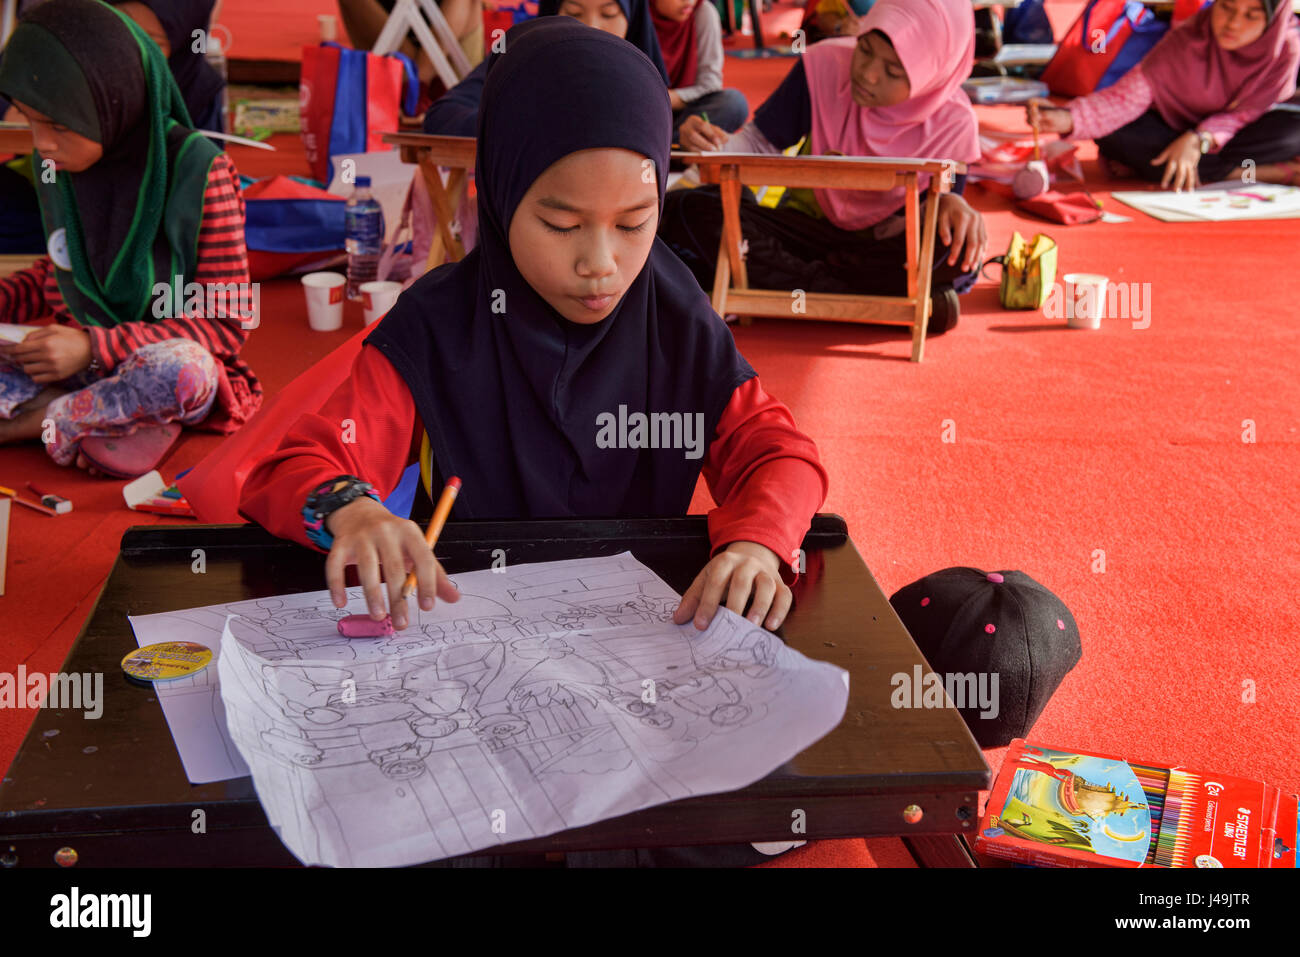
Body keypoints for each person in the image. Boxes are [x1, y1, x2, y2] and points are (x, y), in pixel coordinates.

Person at [241, 18, 828, 866]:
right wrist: (355, 509)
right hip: (479, 657)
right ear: (501, 192)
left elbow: (778, 451)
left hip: (640, 652)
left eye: (634, 223)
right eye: (560, 224)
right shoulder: (441, 323)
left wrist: (757, 539)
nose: (602, 264)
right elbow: (297, 464)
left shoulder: (670, 306)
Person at [0, 0, 261, 477]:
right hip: (74, 365)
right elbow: (61, 268)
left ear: (112, 99)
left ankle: (36, 421)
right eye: (28, 119)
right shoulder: (63, 163)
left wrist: (93, 348)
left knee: (184, 371)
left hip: (154, 361)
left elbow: (227, 324)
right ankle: (103, 420)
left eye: (57, 124)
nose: (40, 143)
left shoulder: (201, 172)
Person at [660, 0, 986, 333]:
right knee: (684, 209)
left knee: (955, 248)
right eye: (866, 49)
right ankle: (881, 301)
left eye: (893, 71)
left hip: (881, 248)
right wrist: (709, 142)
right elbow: (760, 145)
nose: (867, 73)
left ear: (931, 75)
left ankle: (773, 286)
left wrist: (950, 204)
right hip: (805, 229)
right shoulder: (824, 64)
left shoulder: (954, 123)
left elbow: (942, 206)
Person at [1028, 0, 1300, 191]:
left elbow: (1248, 111)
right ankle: (1260, 173)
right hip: (1173, 128)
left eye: (1251, 15)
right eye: (1226, 7)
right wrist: (1067, 119)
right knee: (1117, 134)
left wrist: (1199, 139)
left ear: (1272, 19)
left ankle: (1195, 167)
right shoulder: (1190, 37)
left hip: (1236, 130)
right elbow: (1128, 97)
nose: (1233, 23)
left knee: (1294, 130)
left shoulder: (1285, 46)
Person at [423, 0, 669, 136]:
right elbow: (442, 116)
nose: (590, 28)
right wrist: (524, 122)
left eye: (609, 13)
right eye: (573, 12)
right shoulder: (521, 51)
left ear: (633, 18)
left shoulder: (648, 85)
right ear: (553, 13)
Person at [111, 1, 228, 134]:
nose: (131, 48)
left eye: (153, 42)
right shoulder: (94, 73)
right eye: (123, 25)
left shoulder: (196, 93)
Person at [650, 0, 748, 141]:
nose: (689, 1)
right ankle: (670, 151)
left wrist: (665, 98)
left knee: (734, 103)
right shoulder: (636, 15)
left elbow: (710, 85)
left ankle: (666, 146)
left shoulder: (702, 12)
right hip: (641, 111)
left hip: (682, 113)